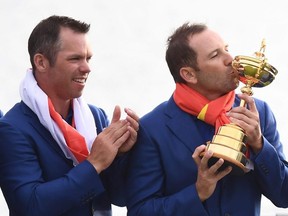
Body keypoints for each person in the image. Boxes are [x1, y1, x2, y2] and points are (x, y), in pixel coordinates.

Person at [125, 23, 288, 216]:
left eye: (226, 49)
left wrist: (260, 145)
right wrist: (198, 192)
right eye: (215, 55)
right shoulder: (152, 129)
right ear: (189, 74)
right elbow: (140, 212)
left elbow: (283, 196)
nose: (231, 59)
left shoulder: (258, 112)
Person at [0, 15, 139, 216]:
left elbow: (120, 197)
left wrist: (120, 156)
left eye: (88, 58)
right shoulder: (12, 128)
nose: (87, 68)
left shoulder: (95, 116)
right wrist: (95, 163)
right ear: (41, 62)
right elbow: (29, 206)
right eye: (75, 59)